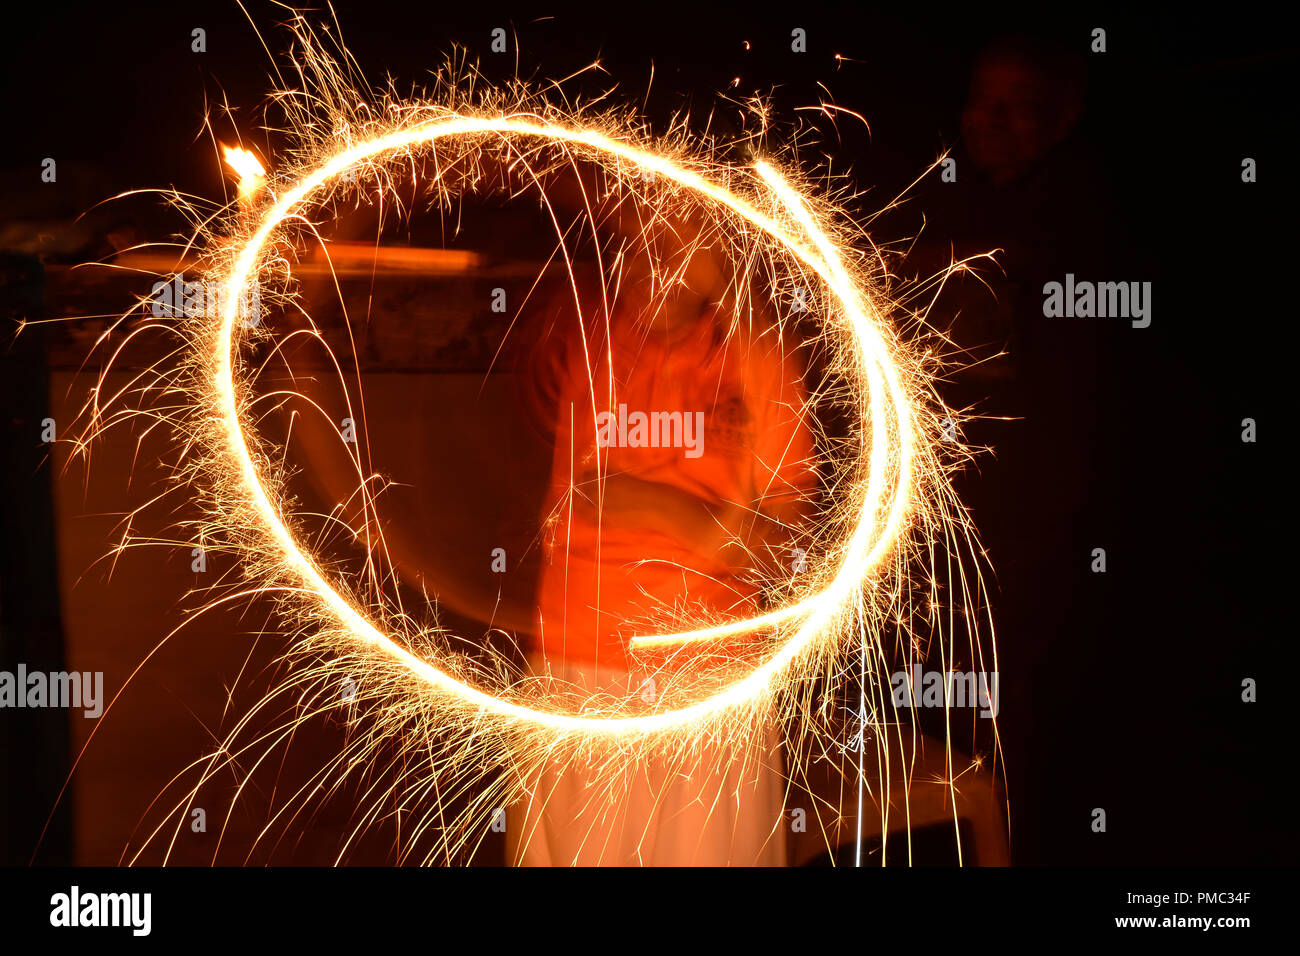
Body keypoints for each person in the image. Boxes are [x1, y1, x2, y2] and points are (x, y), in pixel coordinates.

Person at [509, 206, 818, 865]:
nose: (659, 258)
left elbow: (787, 545)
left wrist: (665, 511)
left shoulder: (759, 357)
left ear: (728, 253)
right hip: (580, 673)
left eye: (686, 240)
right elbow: (575, 506)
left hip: (706, 692)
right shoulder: (593, 341)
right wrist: (702, 527)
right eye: (642, 235)